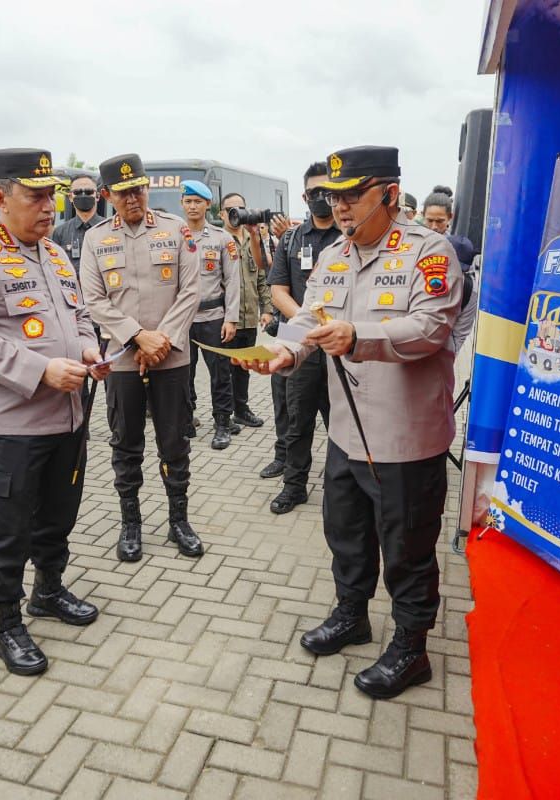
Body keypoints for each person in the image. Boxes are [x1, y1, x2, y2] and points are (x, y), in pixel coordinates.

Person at [235, 146, 462, 699]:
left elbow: (432, 327)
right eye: (334, 196)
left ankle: (412, 646)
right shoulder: (334, 255)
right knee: (347, 534)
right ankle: (352, 614)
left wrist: (361, 337)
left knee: (407, 547)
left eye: (352, 194)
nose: (339, 206)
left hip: (404, 438)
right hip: (346, 431)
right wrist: (284, 353)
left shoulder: (429, 252)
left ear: (388, 193)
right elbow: (311, 318)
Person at [0, 148, 107, 676]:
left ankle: (48, 590)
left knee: (59, 514)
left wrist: (86, 349)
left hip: (68, 417)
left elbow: (79, 315)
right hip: (12, 425)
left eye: (51, 196)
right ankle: (6, 623)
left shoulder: (56, 254)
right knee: (9, 526)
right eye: (35, 196)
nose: (48, 207)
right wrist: (40, 370)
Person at [80, 153, 202, 562]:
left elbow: (190, 291)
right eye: (123, 192)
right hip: (123, 361)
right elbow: (94, 300)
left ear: (148, 188)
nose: (133, 198)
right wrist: (137, 337)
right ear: (107, 195)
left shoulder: (176, 230)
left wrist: (162, 339)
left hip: (171, 359)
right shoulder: (95, 238)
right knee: (126, 444)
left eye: (139, 189)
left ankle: (178, 520)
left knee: (175, 443)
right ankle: (130, 522)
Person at [264, 162, 337, 513]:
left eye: (328, 191)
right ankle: (294, 486)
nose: (321, 199)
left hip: (342, 340)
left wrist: (328, 328)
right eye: (314, 193)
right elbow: (278, 291)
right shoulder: (291, 239)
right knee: (297, 420)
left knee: (341, 420)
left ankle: (343, 489)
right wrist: (309, 325)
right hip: (297, 334)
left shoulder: (349, 237)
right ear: (305, 197)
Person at [180, 179, 240, 449]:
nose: (192, 206)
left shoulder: (221, 239)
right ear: (182, 204)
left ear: (207, 205)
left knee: (220, 374)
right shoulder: (173, 237)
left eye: (197, 202)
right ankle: (186, 419)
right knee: (182, 374)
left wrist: (231, 318)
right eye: (188, 201)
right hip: (182, 320)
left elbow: (233, 280)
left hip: (213, 317)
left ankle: (222, 423)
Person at [220, 193, 273, 429]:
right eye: (230, 209)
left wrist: (267, 309)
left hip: (249, 317)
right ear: (221, 214)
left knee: (244, 368)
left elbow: (262, 278)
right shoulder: (219, 240)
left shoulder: (253, 241)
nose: (236, 213)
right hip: (225, 320)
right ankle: (222, 416)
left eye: (240, 208)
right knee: (224, 371)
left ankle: (241, 410)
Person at [422, 186, 478, 352]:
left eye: (439, 221)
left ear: (450, 218)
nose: (433, 227)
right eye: (429, 220)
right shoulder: (409, 248)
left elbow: (461, 331)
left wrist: (446, 358)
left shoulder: (457, 249)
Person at [53, 174, 105, 265]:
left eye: (89, 192)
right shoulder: (60, 232)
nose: (83, 195)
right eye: (77, 192)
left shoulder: (109, 229)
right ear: (70, 197)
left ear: (97, 196)